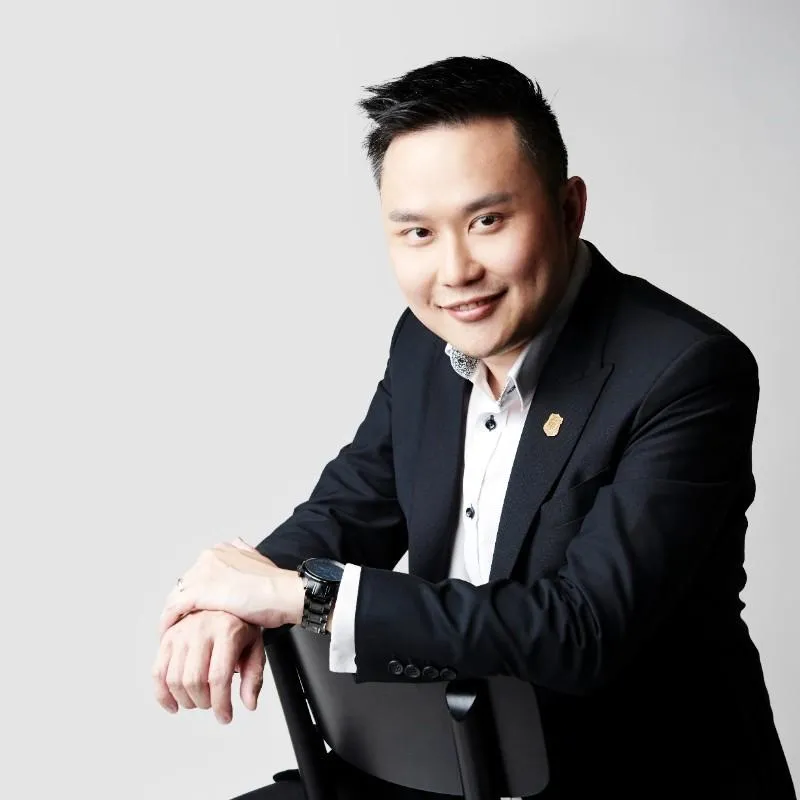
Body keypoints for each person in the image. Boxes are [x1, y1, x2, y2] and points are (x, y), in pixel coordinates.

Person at [152, 55, 796, 799]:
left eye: (487, 221)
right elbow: (351, 505)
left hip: (625, 775)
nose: (455, 270)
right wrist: (228, 598)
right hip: (444, 763)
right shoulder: (424, 343)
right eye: (418, 233)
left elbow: (581, 630)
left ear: (569, 209)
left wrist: (307, 596)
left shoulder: (685, 370)